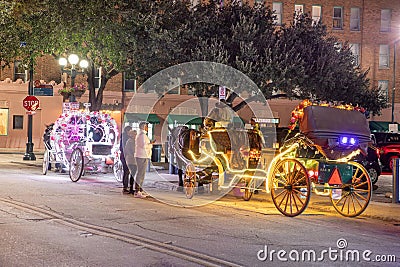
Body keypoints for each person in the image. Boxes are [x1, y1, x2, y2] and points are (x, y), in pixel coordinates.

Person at [134, 121, 155, 198]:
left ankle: (140, 190)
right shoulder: (142, 135)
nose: (147, 128)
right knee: (141, 174)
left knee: (141, 174)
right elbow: (143, 145)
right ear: (143, 127)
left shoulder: (141, 135)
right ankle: (138, 190)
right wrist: (150, 145)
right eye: (146, 126)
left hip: (141, 155)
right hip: (142, 155)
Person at [124, 130, 137, 194]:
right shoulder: (130, 141)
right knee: (132, 174)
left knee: (134, 174)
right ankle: (131, 188)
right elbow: (129, 150)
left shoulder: (135, 141)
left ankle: (132, 187)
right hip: (131, 160)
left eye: (135, 134)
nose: (135, 135)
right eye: (134, 134)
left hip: (135, 160)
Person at [121, 125, 132, 193]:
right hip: (125, 156)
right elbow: (123, 148)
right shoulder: (125, 138)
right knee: (126, 171)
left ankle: (126, 186)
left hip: (125, 156)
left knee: (127, 171)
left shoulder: (126, 137)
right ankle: (125, 186)